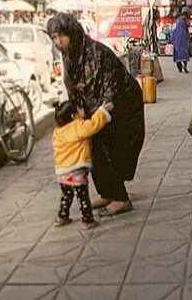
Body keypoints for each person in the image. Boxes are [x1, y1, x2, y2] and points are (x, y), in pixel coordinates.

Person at [47, 13, 145, 216]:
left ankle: (119, 197)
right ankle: (108, 192)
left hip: (121, 106)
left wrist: (99, 114)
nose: (59, 42)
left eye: (61, 37)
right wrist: (79, 112)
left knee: (107, 149)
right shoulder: (70, 55)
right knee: (92, 148)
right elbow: (73, 86)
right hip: (97, 109)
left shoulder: (97, 53)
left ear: (71, 33)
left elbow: (110, 88)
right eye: (54, 38)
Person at [52, 98, 113, 229]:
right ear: (73, 116)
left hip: (63, 172)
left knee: (66, 196)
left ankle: (62, 216)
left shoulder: (58, 131)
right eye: (80, 109)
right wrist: (102, 111)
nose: (83, 110)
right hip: (77, 170)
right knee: (83, 196)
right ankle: (87, 219)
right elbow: (93, 125)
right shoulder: (77, 127)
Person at [171, 7, 190, 73]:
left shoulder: (177, 20)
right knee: (184, 53)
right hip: (183, 38)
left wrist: (172, 39)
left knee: (177, 54)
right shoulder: (185, 20)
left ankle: (180, 68)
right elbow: (186, 30)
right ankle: (185, 66)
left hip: (177, 38)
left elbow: (173, 30)